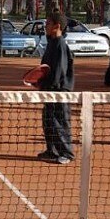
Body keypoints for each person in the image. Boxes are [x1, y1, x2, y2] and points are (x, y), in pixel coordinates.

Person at [37, 11, 75, 165]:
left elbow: (60, 70)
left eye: (48, 23)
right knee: (48, 120)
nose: (45, 26)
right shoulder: (52, 42)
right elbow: (46, 68)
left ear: (57, 26)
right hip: (50, 90)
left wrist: (49, 86)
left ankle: (67, 153)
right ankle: (52, 151)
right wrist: (40, 82)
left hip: (59, 91)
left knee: (60, 121)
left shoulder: (60, 44)